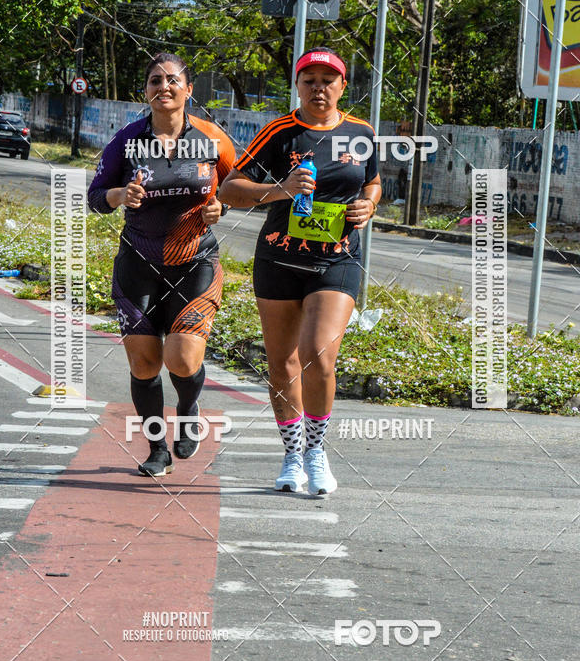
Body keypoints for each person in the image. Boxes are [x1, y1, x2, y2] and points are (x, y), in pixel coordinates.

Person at [219, 47, 381, 495]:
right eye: (309, 80)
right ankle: (292, 454)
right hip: (279, 259)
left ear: (343, 87)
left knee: (318, 354)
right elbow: (231, 188)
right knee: (282, 364)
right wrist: (280, 189)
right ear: (298, 86)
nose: (319, 88)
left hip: (338, 259)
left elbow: (372, 179)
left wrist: (370, 203)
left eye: (328, 81)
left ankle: (316, 450)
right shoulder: (279, 132)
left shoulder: (361, 133)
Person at [88, 52, 235, 477]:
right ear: (146, 91)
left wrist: (220, 207)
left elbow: (238, 187)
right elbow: (97, 196)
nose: (164, 87)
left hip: (195, 262)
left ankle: (189, 410)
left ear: (188, 90)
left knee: (183, 360)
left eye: (173, 80)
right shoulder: (127, 141)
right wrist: (120, 196)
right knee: (144, 363)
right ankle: (156, 449)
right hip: (138, 262)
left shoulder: (213, 140)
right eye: (155, 80)